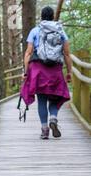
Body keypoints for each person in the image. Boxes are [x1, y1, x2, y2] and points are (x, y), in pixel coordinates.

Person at [21, 6, 72, 139]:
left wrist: (26, 72)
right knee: (55, 97)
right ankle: (53, 118)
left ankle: (44, 130)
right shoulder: (60, 31)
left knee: (42, 100)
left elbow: (28, 53)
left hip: (38, 69)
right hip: (55, 69)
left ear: (42, 17)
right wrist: (69, 72)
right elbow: (67, 54)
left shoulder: (35, 31)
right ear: (53, 16)